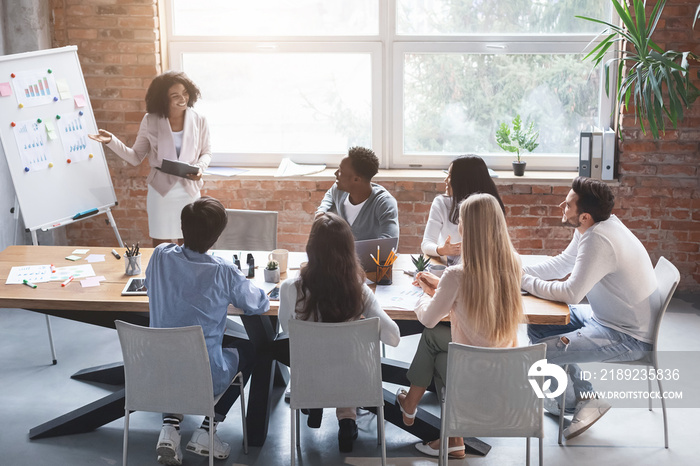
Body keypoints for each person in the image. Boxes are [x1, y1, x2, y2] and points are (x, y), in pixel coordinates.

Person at [522, 176, 657, 440]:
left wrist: (525, 282)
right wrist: (521, 272)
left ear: (584, 216)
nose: (562, 204)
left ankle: (577, 401)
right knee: (539, 323)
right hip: (604, 318)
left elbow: (571, 293)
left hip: (627, 336)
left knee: (538, 355)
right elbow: (563, 264)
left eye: (569, 203)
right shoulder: (594, 227)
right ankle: (577, 398)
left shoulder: (599, 241)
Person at [396, 193, 523, 459]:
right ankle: (452, 439)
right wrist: (440, 286)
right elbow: (476, 299)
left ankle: (413, 407)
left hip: (472, 366)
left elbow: (429, 319)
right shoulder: (513, 264)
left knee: (432, 338)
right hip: (506, 368)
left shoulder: (457, 274)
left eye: (461, 220)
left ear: (468, 227)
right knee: (442, 353)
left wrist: (422, 294)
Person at [145, 196, 269, 465]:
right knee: (249, 349)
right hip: (203, 376)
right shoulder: (223, 271)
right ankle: (206, 431)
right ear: (216, 237)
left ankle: (169, 427)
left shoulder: (159, 255)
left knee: (174, 348)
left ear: (182, 228)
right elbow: (257, 303)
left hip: (156, 371)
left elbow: (148, 283)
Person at [278, 212, 400, 453]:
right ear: (348, 251)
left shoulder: (290, 288)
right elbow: (393, 338)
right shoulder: (360, 292)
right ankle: (347, 418)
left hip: (308, 383)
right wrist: (364, 325)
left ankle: (319, 407)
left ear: (310, 248)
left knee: (322, 358)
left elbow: (286, 330)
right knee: (348, 359)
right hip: (356, 384)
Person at [89, 71, 211, 247]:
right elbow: (135, 157)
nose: (182, 98)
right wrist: (111, 141)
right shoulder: (150, 120)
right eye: (175, 95)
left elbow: (207, 152)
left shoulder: (200, 120)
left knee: (192, 244)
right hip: (161, 193)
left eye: (185, 93)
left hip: (189, 191)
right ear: (163, 98)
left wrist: (200, 168)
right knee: (161, 248)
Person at [421, 155, 505, 265]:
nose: (445, 180)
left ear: (464, 181)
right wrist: (442, 250)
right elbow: (426, 243)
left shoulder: (489, 206)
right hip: (450, 265)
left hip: (483, 266)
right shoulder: (441, 203)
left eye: (450, 176)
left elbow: (499, 247)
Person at [315, 146, 399, 240]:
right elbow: (330, 194)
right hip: (343, 254)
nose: (335, 173)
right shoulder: (338, 190)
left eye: (340, 171)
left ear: (356, 179)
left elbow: (389, 241)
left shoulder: (384, 203)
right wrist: (322, 210)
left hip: (371, 255)